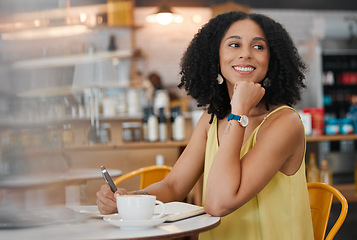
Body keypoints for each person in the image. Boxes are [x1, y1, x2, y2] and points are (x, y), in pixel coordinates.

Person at [97, 11, 314, 239]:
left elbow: (219, 203)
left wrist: (239, 111)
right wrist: (128, 199)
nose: (246, 54)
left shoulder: (285, 123)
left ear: (272, 60)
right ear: (215, 56)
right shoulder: (212, 119)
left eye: (258, 47)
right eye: (234, 44)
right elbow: (173, 186)